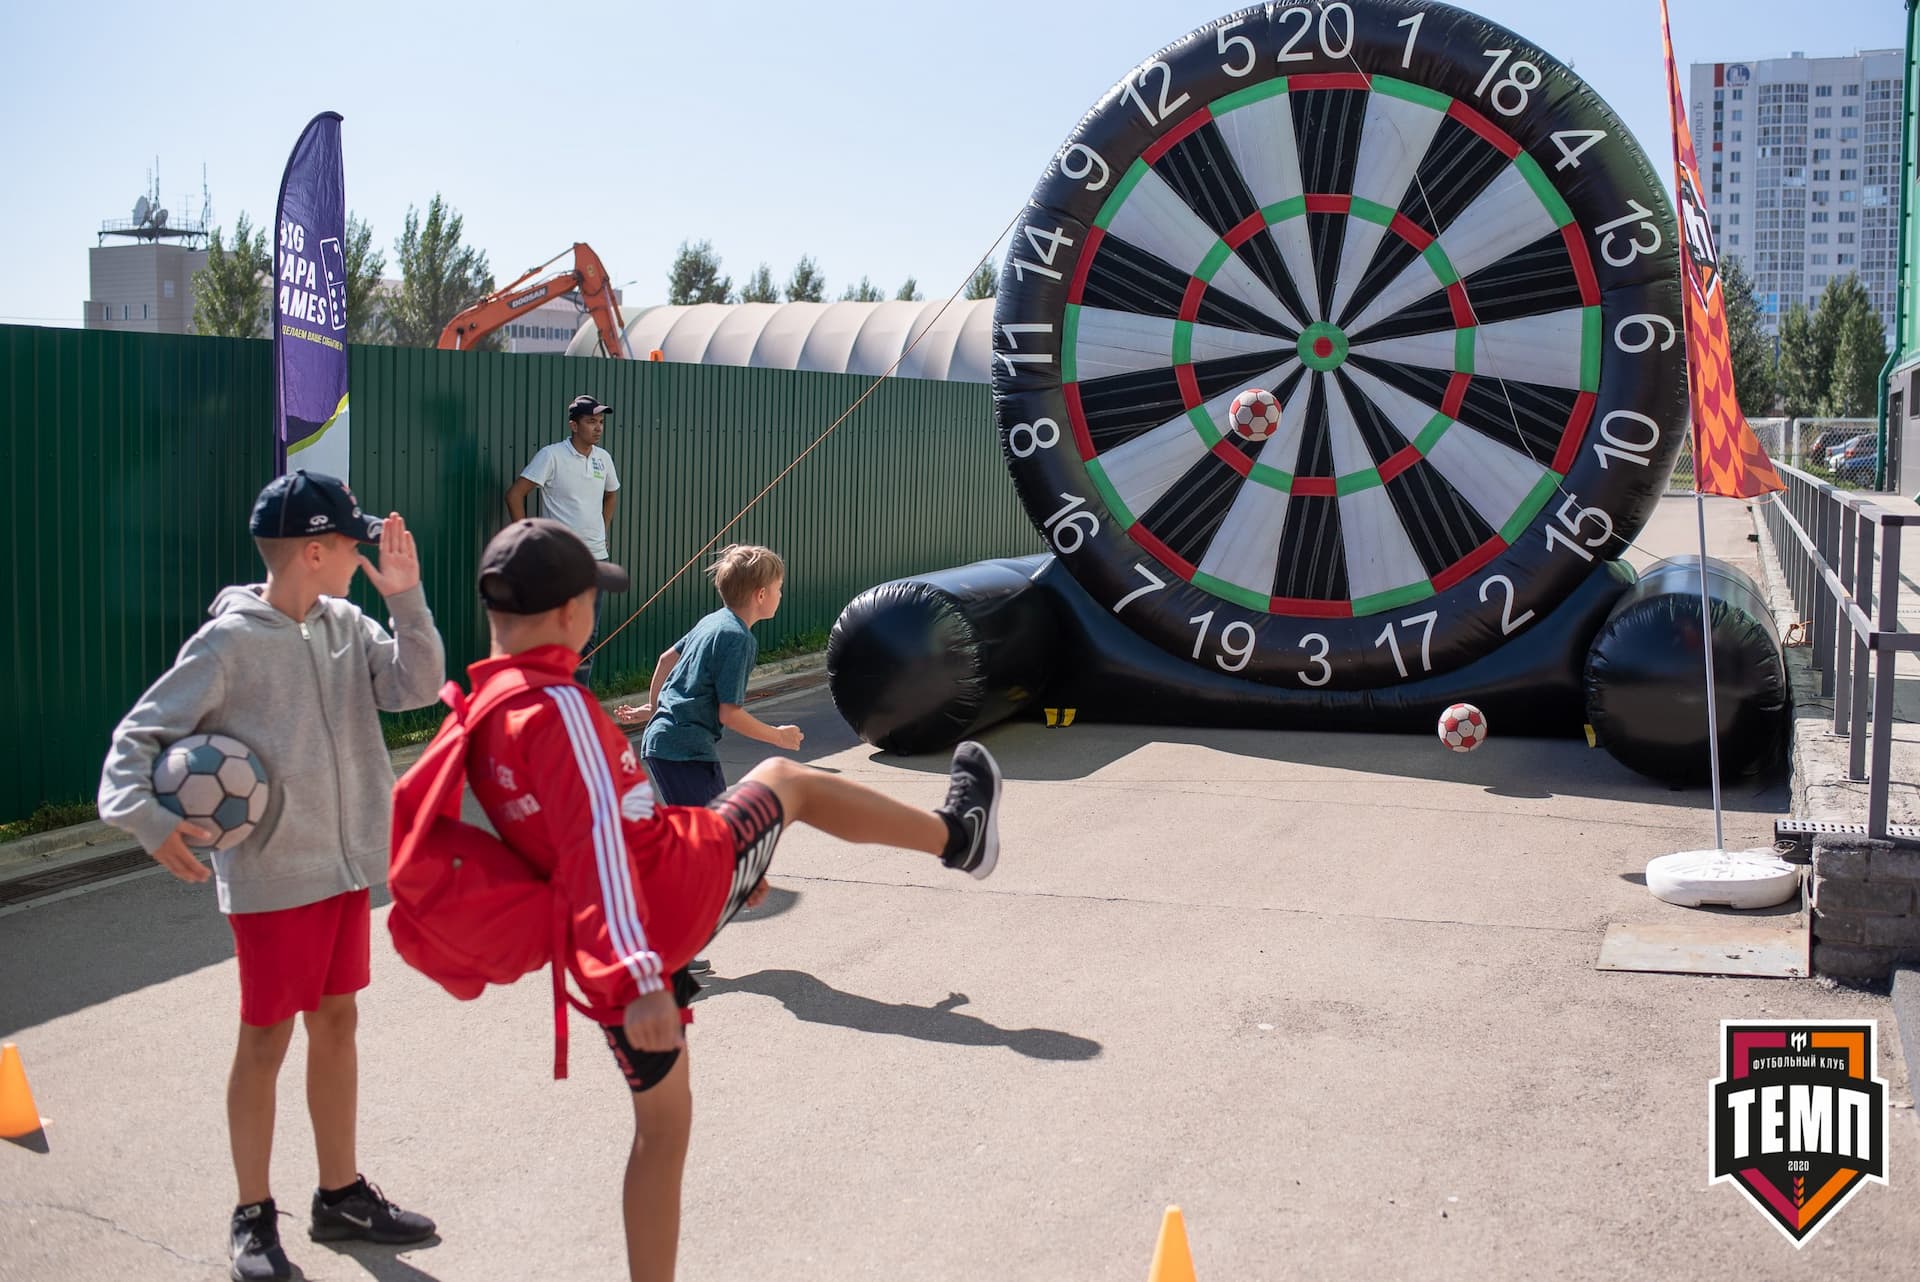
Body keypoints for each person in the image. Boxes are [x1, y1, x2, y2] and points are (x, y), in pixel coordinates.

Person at [456, 518, 1002, 1282]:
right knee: (787, 783)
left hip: (601, 954)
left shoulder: (482, 712)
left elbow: (545, 845)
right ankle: (956, 836)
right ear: (572, 614)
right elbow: (598, 847)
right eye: (590, 599)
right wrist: (650, 971)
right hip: (658, 915)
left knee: (662, 1132)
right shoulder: (565, 715)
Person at [97, 470, 445, 1282]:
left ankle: (340, 1194)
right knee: (265, 1040)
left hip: (346, 865)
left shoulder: (348, 623)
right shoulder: (226, 645)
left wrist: (408, 601)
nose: (364, 551)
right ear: (315, 550)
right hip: (272, 877)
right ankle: (252, 1218)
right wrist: (150, 823)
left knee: (338, 1023)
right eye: (352, 542)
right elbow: (132, 743)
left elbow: (416, 688)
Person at [616, 544, 801, 973]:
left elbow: (667, 659)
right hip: (682, 750)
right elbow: (729, 713)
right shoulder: (738, 638)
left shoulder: (713, 622)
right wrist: (777, 736)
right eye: (778, 588)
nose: (779, 594)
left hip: (674, 745)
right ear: (759, 594)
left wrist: (656, 707)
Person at [506, 393, 621, 683]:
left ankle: (575, 699)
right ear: (573, 425)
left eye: (601, 422)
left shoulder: (603, 459)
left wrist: (603, 528)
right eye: (590, 421)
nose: (597, 427)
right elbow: (515, 495)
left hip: (596, 559)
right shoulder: (551, 456)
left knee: (588, 634)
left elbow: (611, 494)